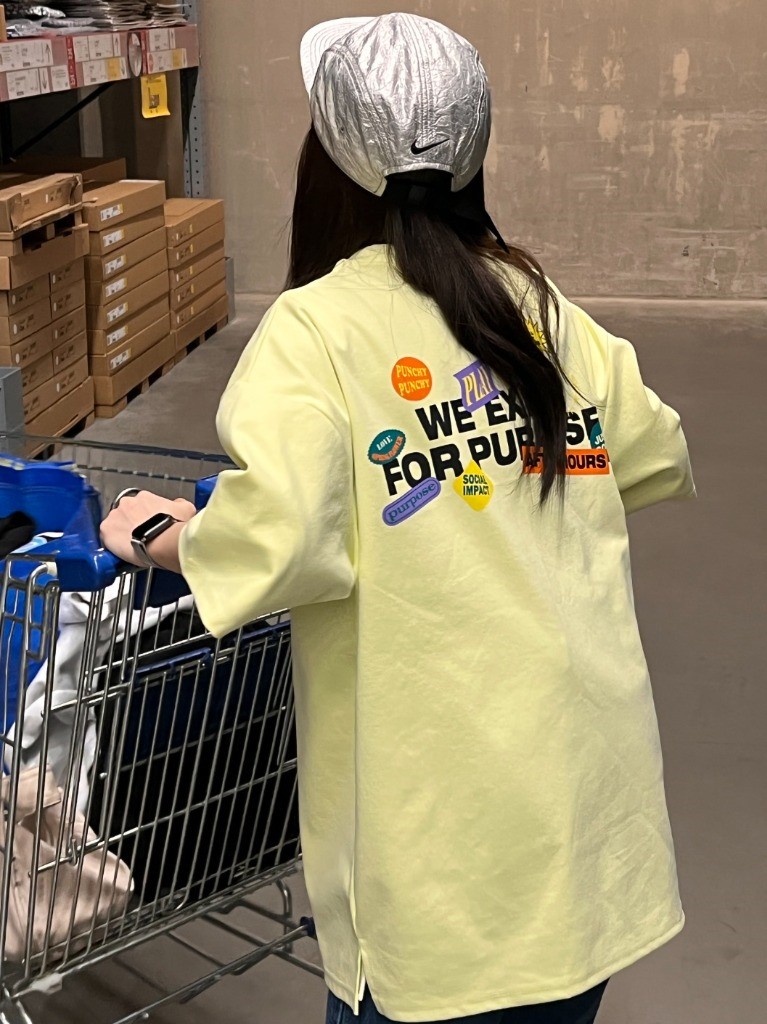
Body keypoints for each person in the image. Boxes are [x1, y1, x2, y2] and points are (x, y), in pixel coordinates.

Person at [101, 13, 696, 1024]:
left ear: (325, 162)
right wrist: (496, 461)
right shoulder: (534, 302)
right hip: (587, 842)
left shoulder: (316, 328)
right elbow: (644, 451)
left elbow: (283, 541)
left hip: (439, 868)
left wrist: (160, 533)